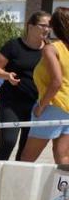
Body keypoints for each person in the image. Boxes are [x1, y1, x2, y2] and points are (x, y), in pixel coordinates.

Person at [0, 11, 52, 161]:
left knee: (25, 147)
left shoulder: (49, 49)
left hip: (35, 105)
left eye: (49, 26)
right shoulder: (13, 45)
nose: (47, 29)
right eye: (43, 25)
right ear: (30, 26)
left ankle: (17, 178)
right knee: (8, 141)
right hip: (10, 103)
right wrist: (7, 75)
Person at [22, 8, 69, 164]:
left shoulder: (51, 48)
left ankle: (20, 189)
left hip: (53, 105)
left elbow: (56, 82)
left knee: (27, 159)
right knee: (63, 157)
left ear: (54, 27)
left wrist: (41, 106)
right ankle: (64, 189)